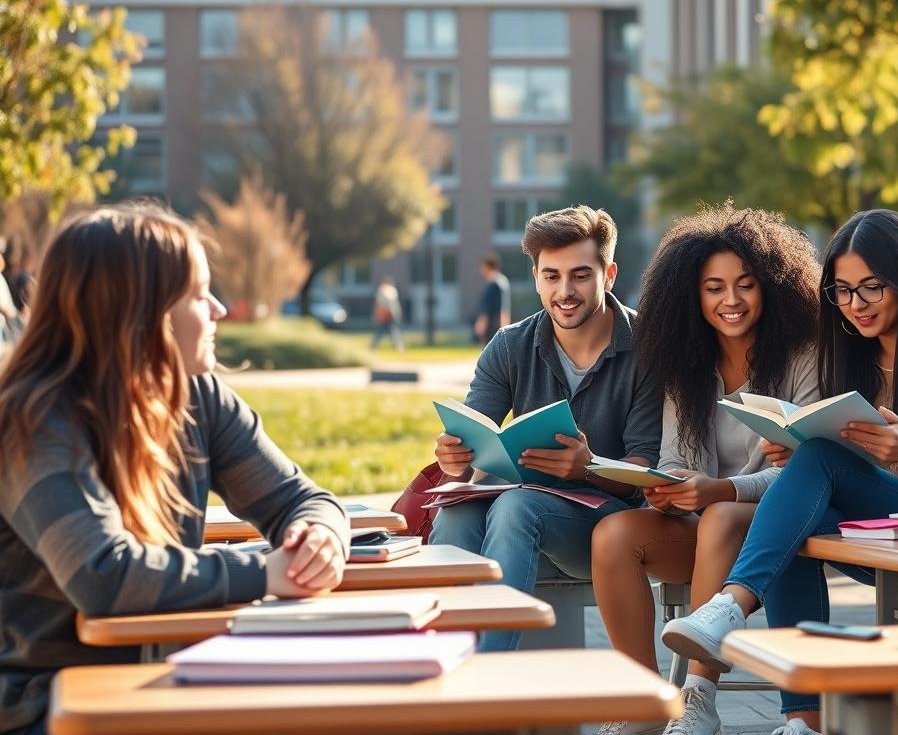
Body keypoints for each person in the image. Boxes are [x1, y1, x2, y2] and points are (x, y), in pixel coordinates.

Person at [0, 202, 350, 734]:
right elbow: (103, 575)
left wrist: (320, 538)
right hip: (48, 707)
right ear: (141, 311)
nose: (219, 310)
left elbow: (302, 500)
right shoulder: (33, 421)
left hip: (167, 682)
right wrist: (265, 573)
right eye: (198, 294)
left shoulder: (197, 398)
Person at [660, 209, 898, 735]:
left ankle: (731, 606)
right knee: (787, 525)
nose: (856, 305)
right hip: (883, 523)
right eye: (843, 291)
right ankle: (805, 720)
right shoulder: (851, 349)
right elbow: (850, 458)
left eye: (871, 288)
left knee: (817, 464)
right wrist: (796, 450)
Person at [590, 205, 821, 735]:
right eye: (714, 288)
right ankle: (642, 701)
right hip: (704, 524)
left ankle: (699, 696)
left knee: (719, 515)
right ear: (692, 295)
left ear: (772, 287)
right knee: (612, 535)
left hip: (776, 525)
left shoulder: (804, 354)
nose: (731, 300)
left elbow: (808, 470)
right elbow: (676, 458)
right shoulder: (685, 362)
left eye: (746, 285)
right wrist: (667, 488)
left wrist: (719, 490)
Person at [428, 205, 662, 652]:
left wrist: (589, 467)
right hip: (518, 502)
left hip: (606, 520)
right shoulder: (509, 346)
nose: (564, 291)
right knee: (456, 511)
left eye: (580, 275)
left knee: (517, 508)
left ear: (609, 275)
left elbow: (645, 468)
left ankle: (487, 675)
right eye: (551, 276)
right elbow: (474, 435)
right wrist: (455, 460)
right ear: (536, 277)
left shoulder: (648, 348)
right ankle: (446, 660)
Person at [474, 252, 511, 347]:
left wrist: (481, 323)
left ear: (488, 266)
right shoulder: (502, 281)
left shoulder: (494, 284)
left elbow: (488, 308)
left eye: (483, 266)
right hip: (498, 325)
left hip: (492, 326)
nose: (481, 269)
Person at [370, 276, 405, 351]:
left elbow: (382, 304)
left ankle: (374, 346)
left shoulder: (384, 290)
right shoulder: (392, 290)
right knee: (391, 330)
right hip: (392, 313)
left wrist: (382, 313)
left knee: (386, 330)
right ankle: (399, 347)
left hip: (387, 313)